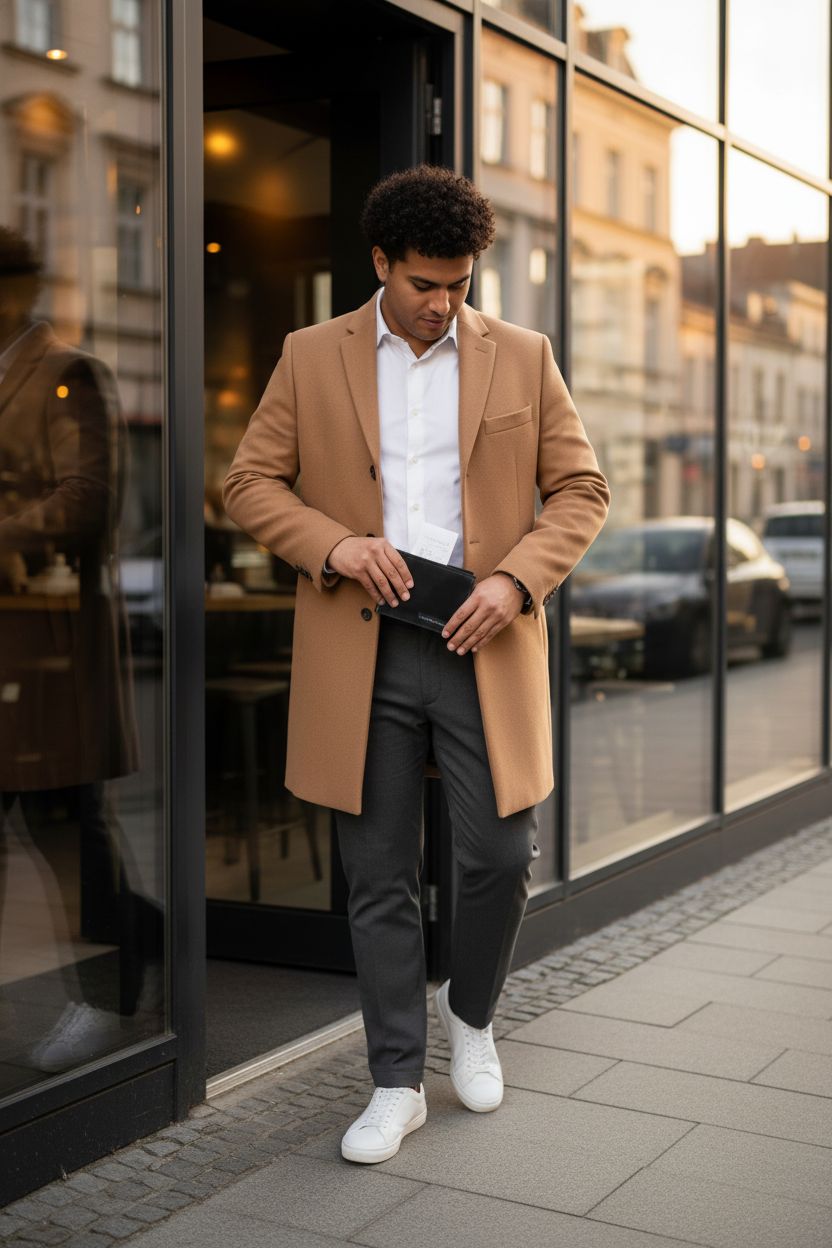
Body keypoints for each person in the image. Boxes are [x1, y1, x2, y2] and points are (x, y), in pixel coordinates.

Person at [223, 165, 610, 1164]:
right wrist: (334, 545)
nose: (442, 305)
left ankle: (468, 1011)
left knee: (496, 855)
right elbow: (249, 484)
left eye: (459, 285)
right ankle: (395, 1081)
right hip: (363, 646)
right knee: (377, 874)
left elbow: (580, 491)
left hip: (482, 641)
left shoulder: (524, 356)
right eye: (424, 284)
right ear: (381, 263)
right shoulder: (311, 355)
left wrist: (514, 581)